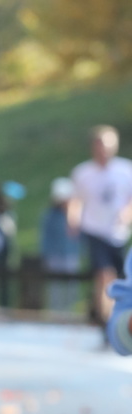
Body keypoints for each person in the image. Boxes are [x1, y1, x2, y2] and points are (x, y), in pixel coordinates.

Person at [68, 125, 132, 327]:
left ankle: (117, 319)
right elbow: (76, 199)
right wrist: (73, 219)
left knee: (121, 281)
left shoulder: (126, 170)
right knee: (104, 276)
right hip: (94, 230)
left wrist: (127, 214)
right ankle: (106, 322)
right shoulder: (83, 172)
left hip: (118, 232)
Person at [40, 178, 82, 312]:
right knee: (55, 288)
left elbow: (80, 236)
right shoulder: (49, 215)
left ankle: (69, 311)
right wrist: (46, 255)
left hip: (71, 255)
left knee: (71, 288)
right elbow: (45, 238)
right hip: (54, 256)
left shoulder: (75, 216)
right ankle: (55, 312)